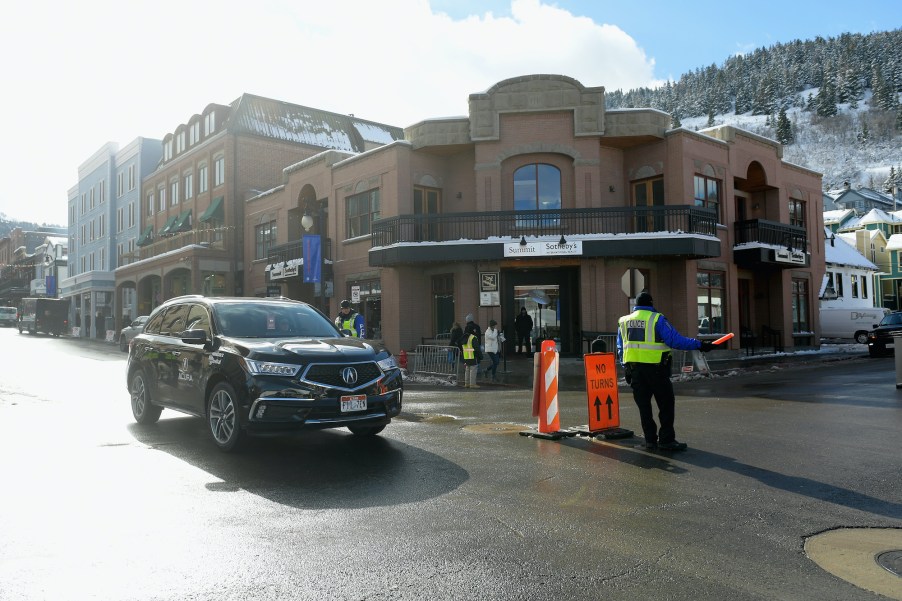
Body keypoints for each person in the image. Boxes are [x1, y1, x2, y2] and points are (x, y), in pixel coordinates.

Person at [616, 291, 714, 452]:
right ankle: (666, 440)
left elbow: (621, 347)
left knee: (644, 408)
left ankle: (650, 441)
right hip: (656, 371)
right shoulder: (657, 319)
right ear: (651, 304)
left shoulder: (623, 321)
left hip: (635, 372)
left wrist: (625, 366)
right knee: (666, 405)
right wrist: (700, 344)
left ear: (636, 305)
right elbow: (675, 340)